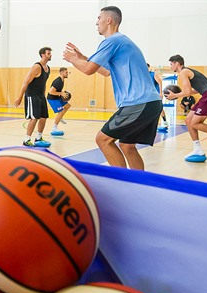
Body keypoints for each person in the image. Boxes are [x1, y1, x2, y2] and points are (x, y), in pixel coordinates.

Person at [63, 6, 162, 170]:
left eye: (99, 18)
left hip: (138, 103)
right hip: (150, 103)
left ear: (108, 20)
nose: (97, 22)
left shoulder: (112, 41)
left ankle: (120, 181)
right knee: (127, 146)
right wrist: (82, 57)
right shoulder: (122, 41)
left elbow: (89, 69)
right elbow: (106, 71)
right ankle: (139, 183)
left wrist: (72, 59)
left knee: (103, 140)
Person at [14, 47, 52, 148]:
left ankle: (39, 137)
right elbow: (25, 82)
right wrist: (20, 97)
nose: (50, 55)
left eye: (50, 53)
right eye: (48, 53)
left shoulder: (48, 69)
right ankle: (26, 140)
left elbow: (42, 84)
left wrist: (43, 96)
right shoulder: (36, 67)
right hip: (32, 95)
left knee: (44, 117)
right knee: (34, 118)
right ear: (43, 55)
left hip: (40, 96)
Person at [46, 67, 71, 136]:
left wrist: (62, 93)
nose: (67, 73)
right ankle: (54, 128)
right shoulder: (58, 81)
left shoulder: (62, 80)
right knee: (60, 111)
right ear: (61, 72)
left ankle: (60, 118)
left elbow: (57, 91)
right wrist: (61, 93)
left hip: (57, 97)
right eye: (66, 72)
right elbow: (51, 92)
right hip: (52, 98)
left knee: (67, 106)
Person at [147, 63, 169, 131]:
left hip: (156, 94)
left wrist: (160, 93)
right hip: (148, 95)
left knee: (160, 108)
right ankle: (150, 124)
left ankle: (165, 122)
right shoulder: (143, 76)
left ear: (148, 67)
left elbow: (160, 82)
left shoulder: (153, 74)